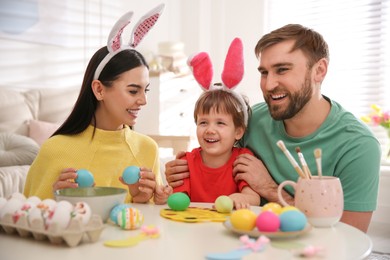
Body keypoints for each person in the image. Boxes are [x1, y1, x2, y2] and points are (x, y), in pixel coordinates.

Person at [164, 24, 381, 232]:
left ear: (319, 70)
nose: (268, 85)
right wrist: (183, 169)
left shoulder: (358, 146)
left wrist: (269, 188)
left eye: (282, 70)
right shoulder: (253, 119)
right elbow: (218, 156)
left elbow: (346, 238)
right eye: (264, 72)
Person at [24, 5, 166, 204]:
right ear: (99, 90)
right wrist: (56, 201)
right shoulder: (54, 150)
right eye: (133, 90)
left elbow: (152, 224)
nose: (143, 100)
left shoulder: (147, 149)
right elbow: (27, 216)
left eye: (146, 90)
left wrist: (145, 201)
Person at [155, 89, 260, 208]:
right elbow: (180, 200)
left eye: (220, 123)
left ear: (238, 132)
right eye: (203, 122)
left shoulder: (243, 160)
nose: (210, 130)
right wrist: (166, 197)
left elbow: (254, 198)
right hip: (194, 224)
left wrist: (242, 197)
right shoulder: (186, 161)